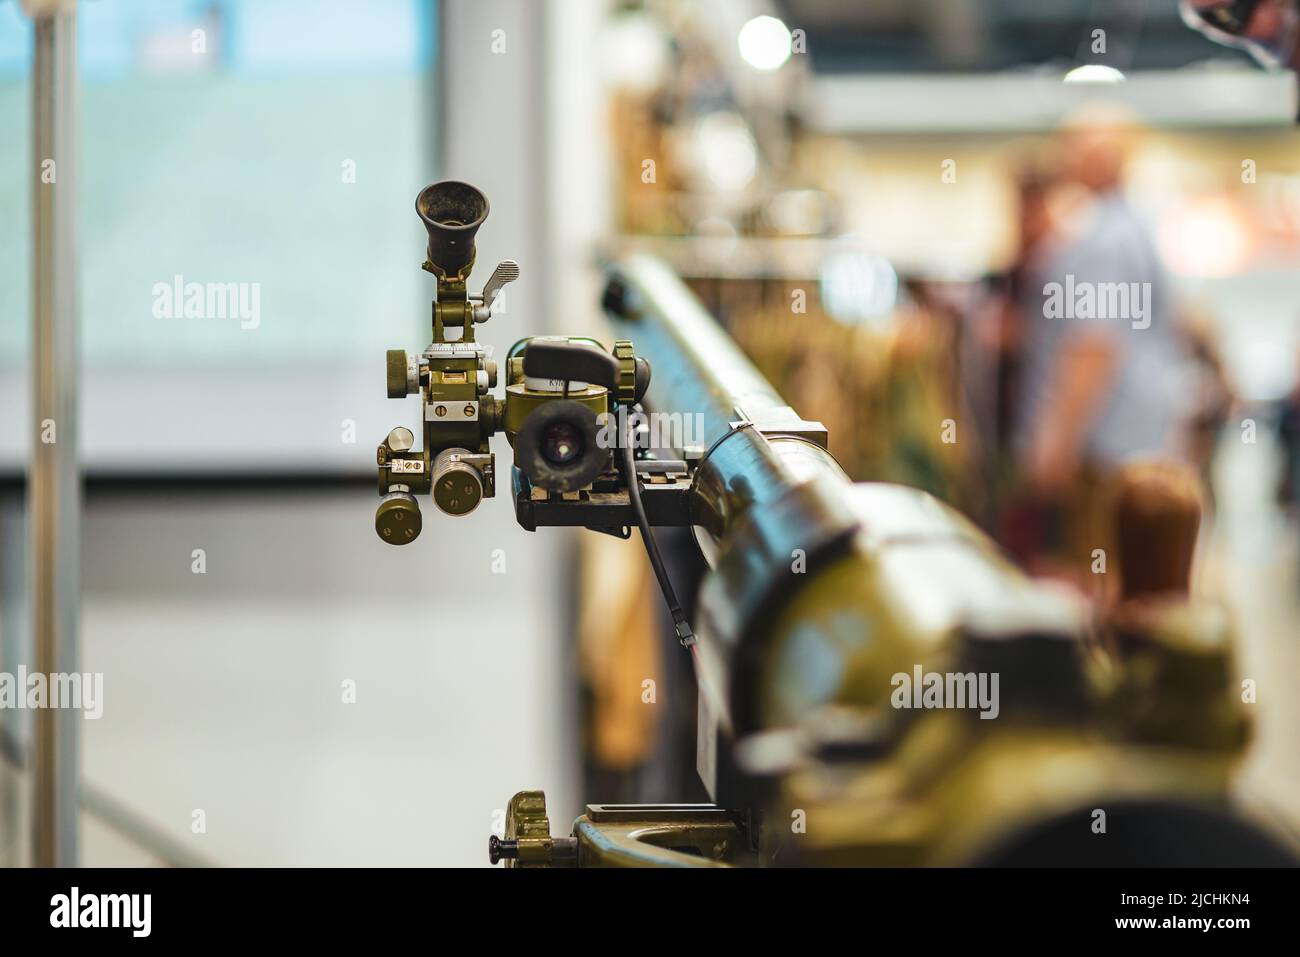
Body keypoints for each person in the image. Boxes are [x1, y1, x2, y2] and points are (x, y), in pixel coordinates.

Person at [1009, 108, 1194, 588]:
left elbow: (1094, 348)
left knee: (1094, 576)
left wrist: (1055, 444)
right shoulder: (1135, 229)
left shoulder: (1101, 241)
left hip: (1103, 444)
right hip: (1138, 437)